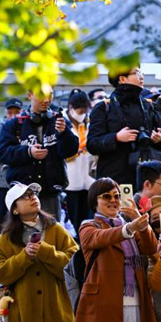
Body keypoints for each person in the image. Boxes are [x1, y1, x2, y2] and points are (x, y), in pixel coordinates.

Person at [71, 178, 161, 322]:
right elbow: (101, 238)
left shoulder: (131, 224)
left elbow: (150, 248)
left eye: (117, 196)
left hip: (135, 302)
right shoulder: (89, 225)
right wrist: (128, 229)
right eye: (107, 196)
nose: (114, 200)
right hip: (103, 304)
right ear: (95, 201)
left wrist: (140, 222)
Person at [0, 182, 79, 322]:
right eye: (26, 196)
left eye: (34, 194)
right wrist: (24, 257)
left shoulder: (56, 230)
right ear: (14, 208)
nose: (33, 197)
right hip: (23, 318)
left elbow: (73, 266)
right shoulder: (5, 239)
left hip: (57, 314)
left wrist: (46, 252)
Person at [0, 87, 78, 219]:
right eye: (41, 95)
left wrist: (64, 133)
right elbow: (3, 152)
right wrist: (28, 152)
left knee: (52, 234)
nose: (46, 100)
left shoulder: (59, 121)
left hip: (50, 192)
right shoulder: (14, 124)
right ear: (29, 95)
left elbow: (70, 151)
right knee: (23, 235)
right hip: (22, 193)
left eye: (50, 95)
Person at [87, 67, 161, 188]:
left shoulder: (147, 106)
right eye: (137, 73)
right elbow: (92, 144)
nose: (141, 77)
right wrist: (116, 137)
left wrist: (160, 139)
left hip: (147, 179)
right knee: (123, 207)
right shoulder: (104, 107)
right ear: (122, 78)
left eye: (141, 73)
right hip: (115, 180)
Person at [0, 98, 23, 242]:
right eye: (10, 112)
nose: (13, 115)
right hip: (1, 183)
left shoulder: (25, 128)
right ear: (6, 113)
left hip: (20, 184)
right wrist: (8, 153)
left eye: (17, 112)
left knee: (19, 218)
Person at [64, 89, 94, 232]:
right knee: (74, 215)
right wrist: (74, 152)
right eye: (79, 111)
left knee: (88, 215)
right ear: (71, 108)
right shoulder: (63, 123)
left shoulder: (89, 122)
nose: (82, 115)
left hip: (89, 178)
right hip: (71, 178)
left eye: (84, 111)